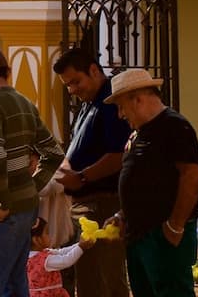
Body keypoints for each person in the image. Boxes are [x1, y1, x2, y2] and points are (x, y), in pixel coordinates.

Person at [0, 45, 65, 297]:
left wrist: (4, 201)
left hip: (4, 208)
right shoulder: (25, 103)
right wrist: (32, 187)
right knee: (14, 281)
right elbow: (54, 153)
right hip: (26, 206)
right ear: (8, 72)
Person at [104, 69, 198, 297]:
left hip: (162, 233)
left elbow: (192, 175)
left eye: (121, 106)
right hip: (138, 234)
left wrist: (175, 226)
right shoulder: (138, 132)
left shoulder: (174, 126)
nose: (120, 115)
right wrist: (122, 215)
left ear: (138, 99)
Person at [48, 47, 132, 297]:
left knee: (104, 278)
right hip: (82, 204)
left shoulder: (110, 102)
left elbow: (119, 154)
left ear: (94, 70)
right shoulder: (89, 103)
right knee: (86, 276)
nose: (72, 90)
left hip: (103, 202)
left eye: (76, 81)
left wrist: (82, 177)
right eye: (67, 85)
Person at [26, 217, 92, 297]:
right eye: (47, 233)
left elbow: (61, 252)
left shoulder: (29, 256)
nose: (49, 236)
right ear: (36, 240)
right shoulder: (46, 260)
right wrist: (81, 248)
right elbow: (66, 261)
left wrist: (79, 245)